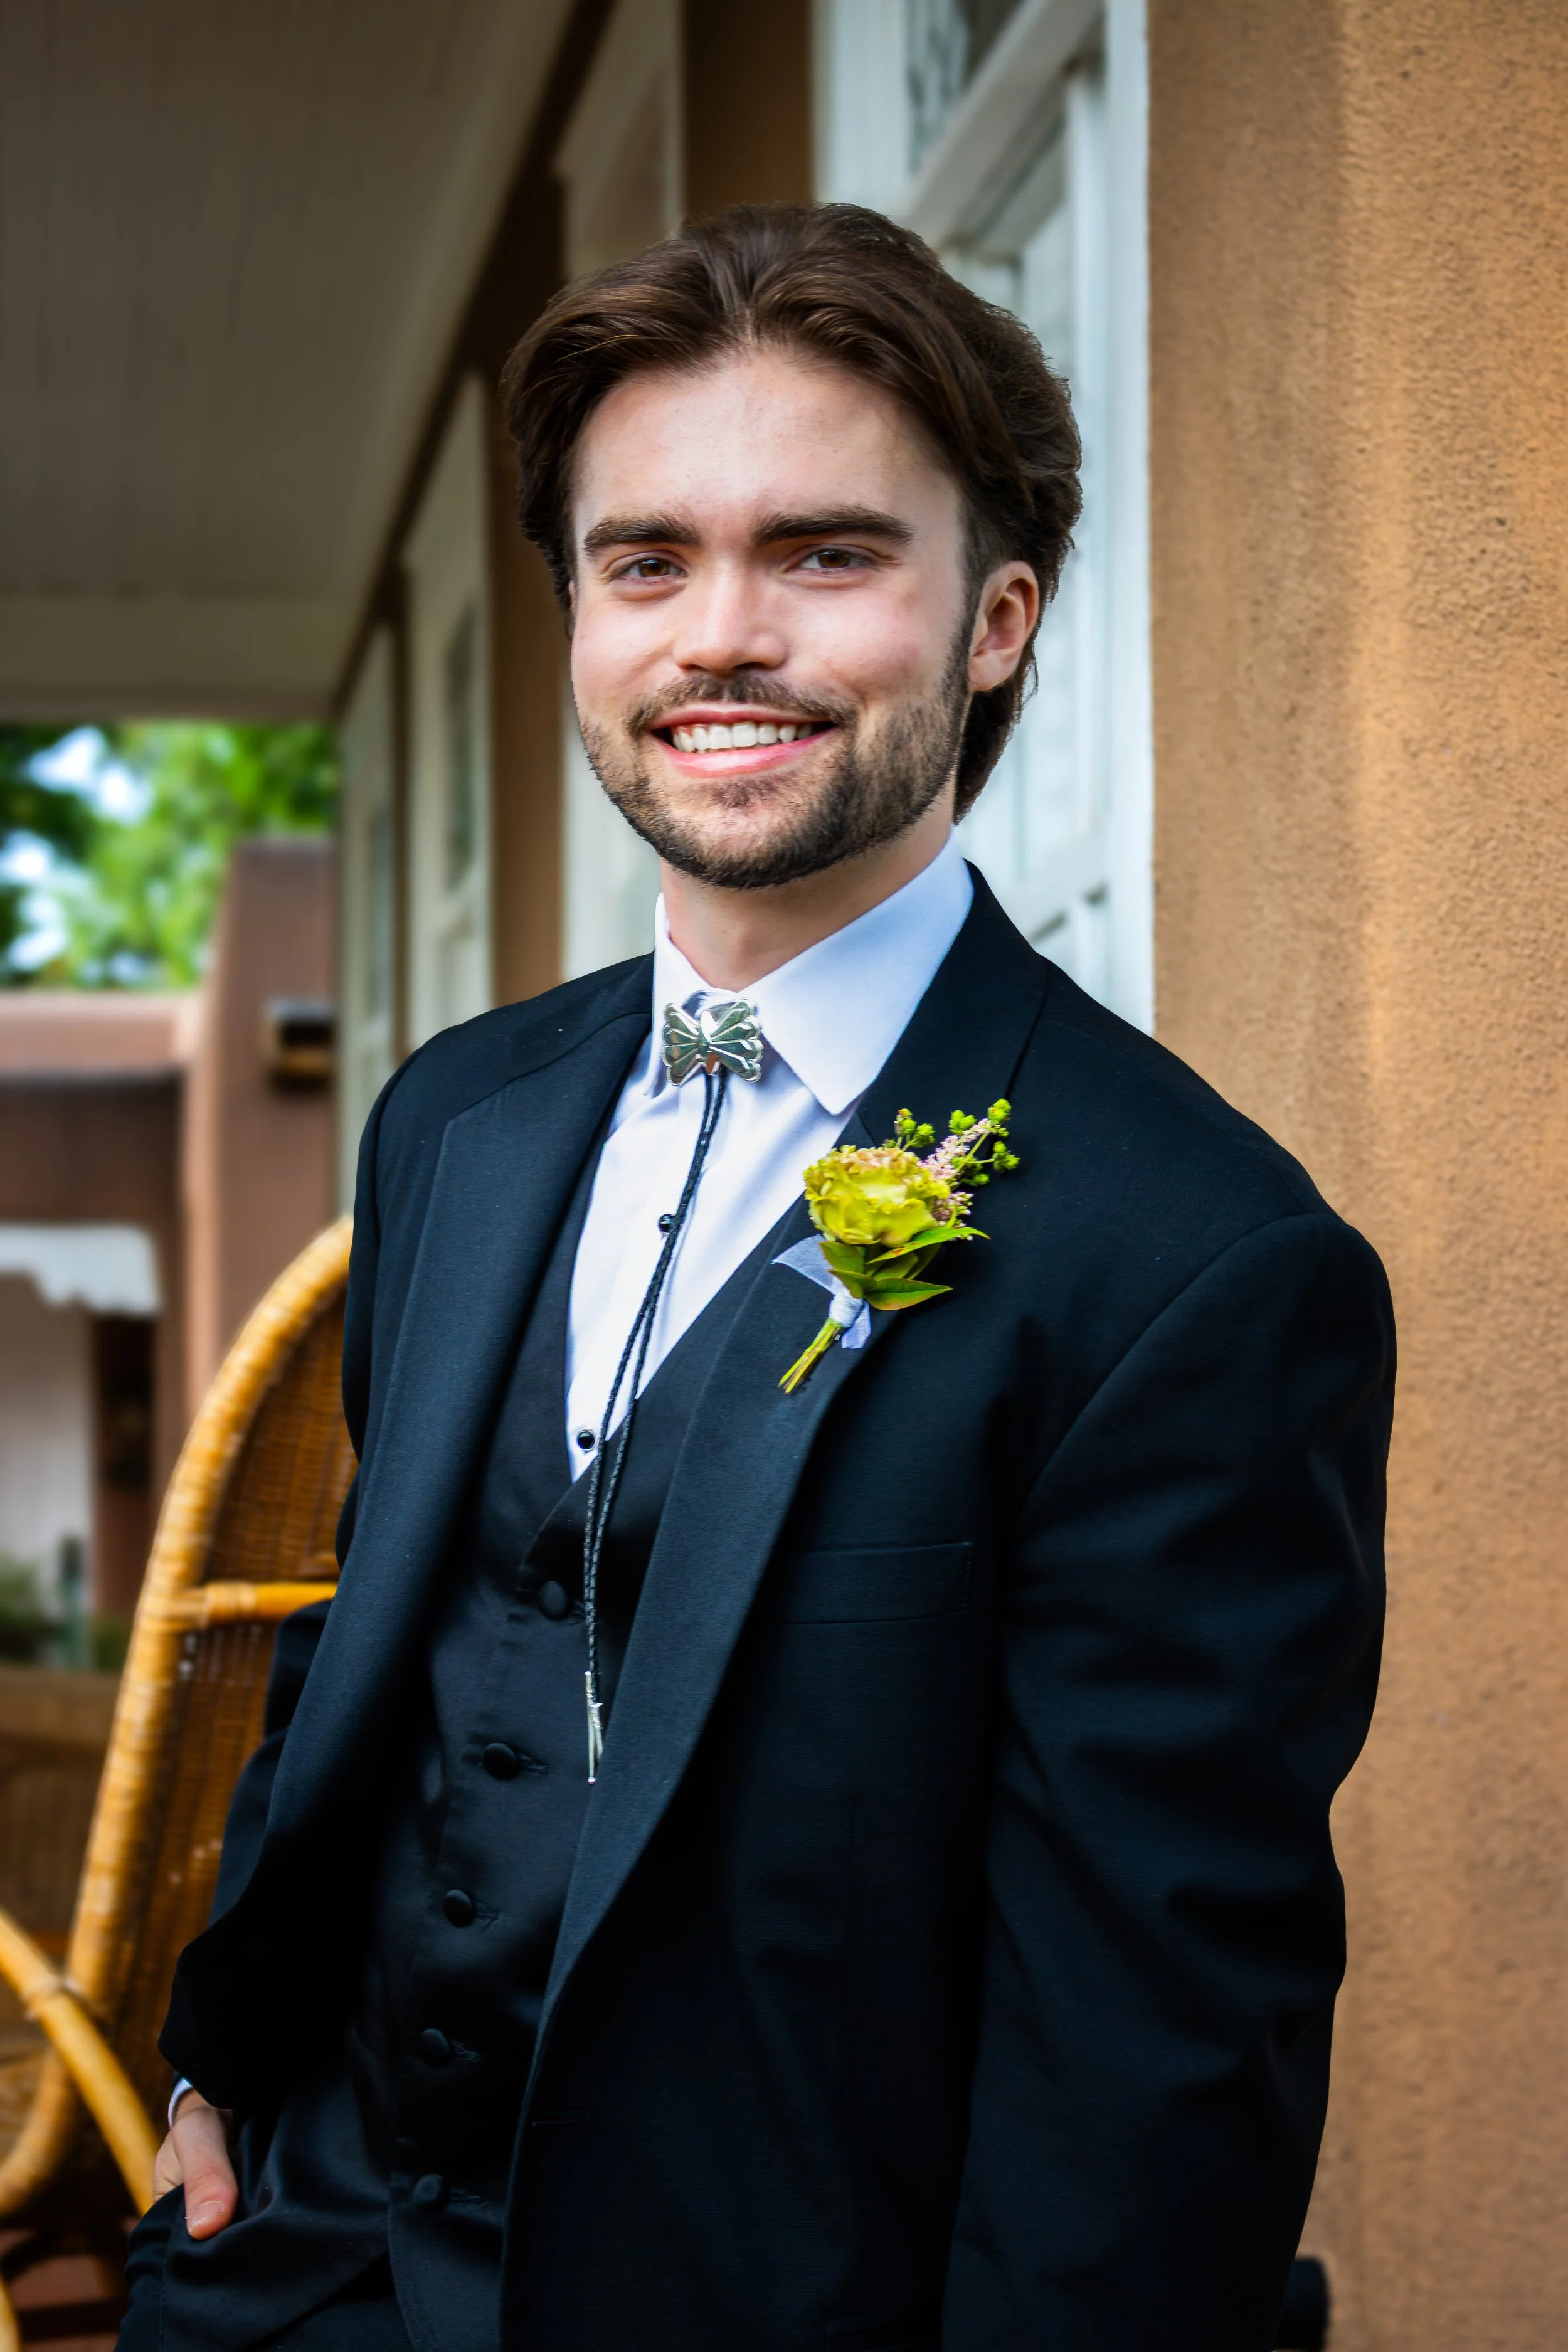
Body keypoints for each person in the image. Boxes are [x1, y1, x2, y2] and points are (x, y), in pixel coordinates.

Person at [123, 203, 1393, 2352]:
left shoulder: (1198, 1259)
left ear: (993, 621)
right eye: (644, 561)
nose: (719, 636)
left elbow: (1150, 2065)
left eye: (824, 553)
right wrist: (218, 2056)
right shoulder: (454, 1115)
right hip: (307, 2263)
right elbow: (390, 1639)